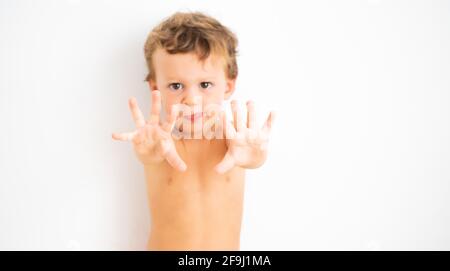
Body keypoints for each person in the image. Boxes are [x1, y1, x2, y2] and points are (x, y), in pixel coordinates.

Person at [112, 11, 274, 250]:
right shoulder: (161, 145)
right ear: (156, 88)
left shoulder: (234, 145)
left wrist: (256, 154)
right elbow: (148, 154)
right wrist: (146, 147)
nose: (192, 99)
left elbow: (253, 158)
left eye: (205, 84)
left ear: (228, 85)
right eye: (176, 86)